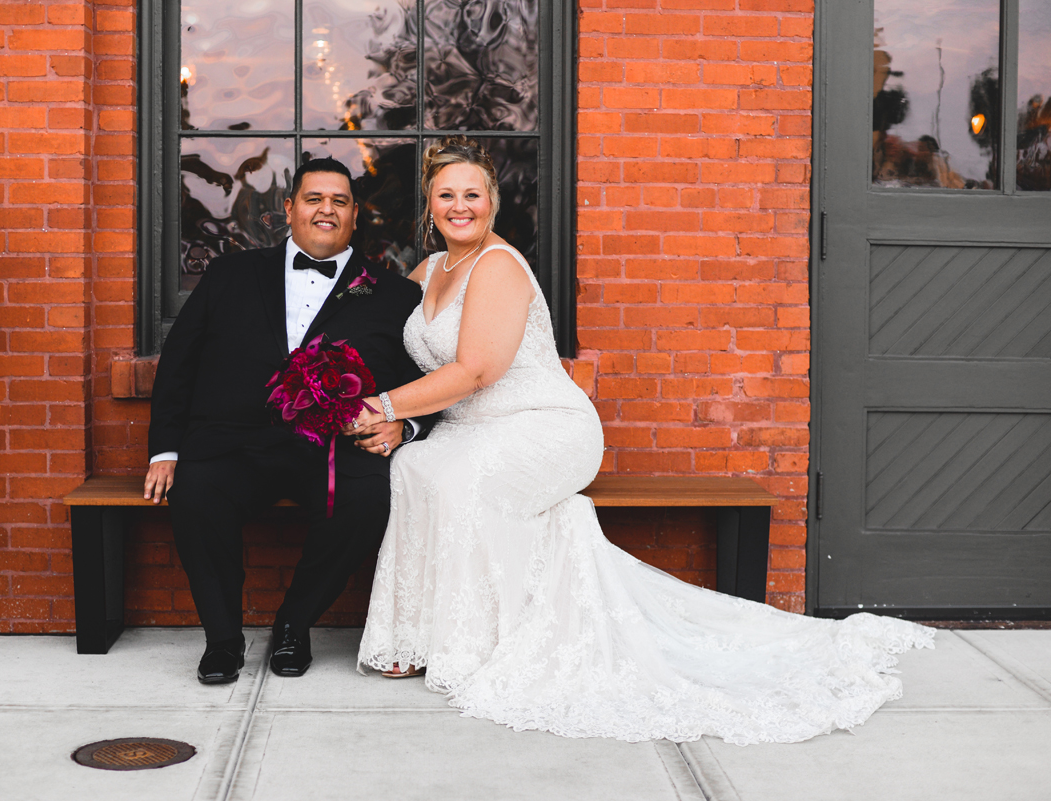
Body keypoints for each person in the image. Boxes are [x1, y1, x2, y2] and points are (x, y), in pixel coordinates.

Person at [348, 135, 935, 745]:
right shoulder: (429, 270)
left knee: (455, 479)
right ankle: (416, 638)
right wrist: (403, 422)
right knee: (414, 468)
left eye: (473, 193)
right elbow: (418, 369)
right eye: (447, 195)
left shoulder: (497, 265)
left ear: (493, 201)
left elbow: (474, 372)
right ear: (430, 204)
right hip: (471, 426)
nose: (459, 206)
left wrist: (380, 406)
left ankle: (477, 644)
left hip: (542, 423)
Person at [146, 158, 429, 684]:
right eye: (315, 198)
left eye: (339, 201)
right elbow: (178, 363)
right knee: (195, 495)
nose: (327, 210)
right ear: (290, 208)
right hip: (232, 442)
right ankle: (223, 641)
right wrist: (166, 449)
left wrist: (404, 425)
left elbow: (422, 379)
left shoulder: (395, 294)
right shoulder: (230, 274)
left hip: (334, 445)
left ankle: (295, 625)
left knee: (367, 500)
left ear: (354, 215)